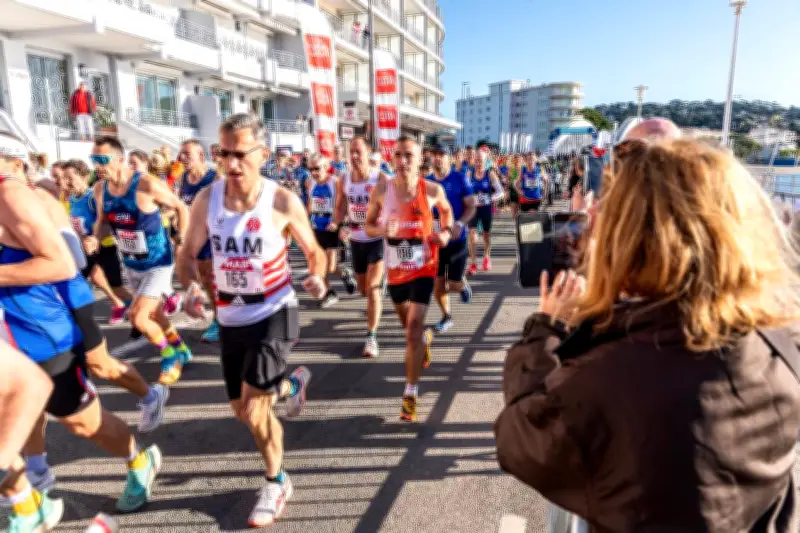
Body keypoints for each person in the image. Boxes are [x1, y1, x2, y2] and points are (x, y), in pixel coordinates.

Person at [495, 138, 800, 532]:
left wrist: (545, 329)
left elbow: (521, 439)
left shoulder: (607, 380)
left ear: (631, 239)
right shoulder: (780, 344)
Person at [0, 143, 161, 531]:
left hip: (41, 332)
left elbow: (61, 262)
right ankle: (27, 501)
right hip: (9, 337)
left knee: (82, 422)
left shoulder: (10, 193)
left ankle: (141, 459)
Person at [178, 113, 326, 528]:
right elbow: (187, 254)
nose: (232, 163)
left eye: (241, 154)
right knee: (241, 410)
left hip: (275, 310)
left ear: (263, 154)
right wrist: (190, 289)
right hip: (230, 316)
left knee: (256, 410)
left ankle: (276, 482)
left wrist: (316, 274)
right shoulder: (207, 200)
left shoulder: (281, 200)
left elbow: (315, 250)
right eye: (224, 154)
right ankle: (291, 384)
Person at [86, 136, 192, 385]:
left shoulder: (146, 184)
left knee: (139, 317)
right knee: (154, 314)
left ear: (120, 159)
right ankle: (181, 347)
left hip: (158, 261)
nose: (97, 165)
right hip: (132, 263)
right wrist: (94, 238)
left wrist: (181, 239)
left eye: (102, 159)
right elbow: (103, 222)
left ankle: (170, 357)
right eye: (94, 160)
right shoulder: (100, 189)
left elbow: (180, 207)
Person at [365, 135, 454, 422]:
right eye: (398, 156)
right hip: (396, 272)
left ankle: (410, 392)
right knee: (410, 328)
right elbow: (367, 227)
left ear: (419, 161)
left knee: (413, 329)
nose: (402, 162)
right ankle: (424, 342)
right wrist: (382, 231)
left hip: (425, 267)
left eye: (409, 156)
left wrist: (446, 233)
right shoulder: (381, 191)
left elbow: (447, 212)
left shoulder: (431, 190)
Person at [331, 137, 386, 358]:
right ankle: (380, 288)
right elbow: (340, 207)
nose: (354, 156)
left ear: (368, 153)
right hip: (356, 240)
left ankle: (371, 337)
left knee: (372, 289)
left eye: (358, 152)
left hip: (377, 239)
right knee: (364, 289)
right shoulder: (343, 179)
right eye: (351, 152)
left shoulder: (381, 178)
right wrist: (338, 224)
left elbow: (398, 200)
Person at [64, 159, 131, 324]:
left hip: (105, 246)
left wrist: (95, 238)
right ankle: (77, 315)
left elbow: (108, 222)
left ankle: (139, 307)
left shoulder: (92, 197)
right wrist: (81, 239)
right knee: (79, 278)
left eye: (70, 178)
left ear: (84, 177)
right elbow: (76, 224)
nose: (66, 182)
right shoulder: (72, 199)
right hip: (86, 249)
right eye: (64, 178)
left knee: (117, 286)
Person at [425, 145, 475, 334]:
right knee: (438, 283)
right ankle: (446, 317)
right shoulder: (426, 182)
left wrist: (460, 224)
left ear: (450, 158)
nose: (437, 158)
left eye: (441, 155)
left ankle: (461, 286)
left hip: (456, 240)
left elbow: (471, 206)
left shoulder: (459, 178)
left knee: (452, 284)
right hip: (435, 242)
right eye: (435, 154)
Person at [177, 139, 220, 343]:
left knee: (216, 278)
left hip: (216, 235)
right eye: (181, 154)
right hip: (196, 237)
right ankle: (218, 319)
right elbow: (182, 207)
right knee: (205, 278)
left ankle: (228, 318)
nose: (182, 158)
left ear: (201, 156)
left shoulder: (215, 177)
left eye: (187, 154)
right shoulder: (183, 178)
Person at [307, 153, 355, 307]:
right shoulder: (310, 182)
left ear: (326, 168)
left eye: (317, 169)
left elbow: (344, 204)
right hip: (316, 228)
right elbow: (310, 203)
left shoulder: (335, 182)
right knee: (318, 266)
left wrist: (338, 222)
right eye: (311, 169)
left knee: (331, 267)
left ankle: (344, 273)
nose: (314, 172)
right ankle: (330, 293)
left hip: (331, 227)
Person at [467, 150, 504, 275]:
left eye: (480, 160)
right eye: (476, 160)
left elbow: (501, 192)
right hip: (473, 210)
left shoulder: (490, 174)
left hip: (486, 209)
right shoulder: (469, 174)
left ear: (485, 161)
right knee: (472, 234)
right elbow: (464, 191)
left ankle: (486, 258)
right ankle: (473, 264)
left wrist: (490, 198)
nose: (478, 163)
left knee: (486, 234)